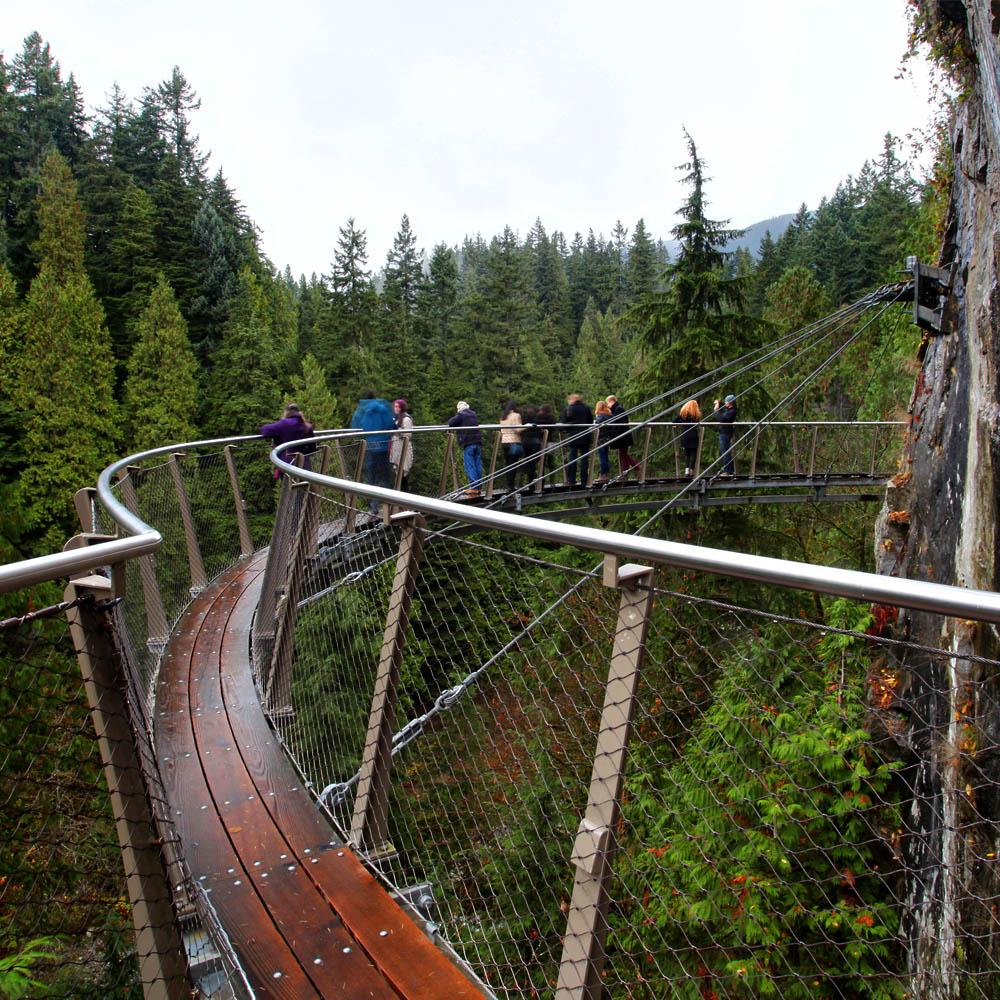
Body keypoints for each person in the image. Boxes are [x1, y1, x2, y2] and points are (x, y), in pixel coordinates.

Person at [351, 391, 396, 508]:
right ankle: (388, 505)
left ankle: (373, 505)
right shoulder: (383, 408)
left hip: (370, 446)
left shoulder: (362, 410)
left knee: (371, 477)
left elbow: (356, 425)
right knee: (385, 476)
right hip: (383, 446)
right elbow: (391, 424)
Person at [260, 402, 315, 478]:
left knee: (289, 485)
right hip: (305, 467)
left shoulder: (284, 424)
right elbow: (312, 448)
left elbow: (265, 430)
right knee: (304, 484)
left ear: (286, 412)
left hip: (287, 467)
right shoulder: (307, 426)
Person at [448, 401, 483, 495]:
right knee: (478, 464)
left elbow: (451, 422)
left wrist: (457, 415)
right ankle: (479, 486)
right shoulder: (473, 414)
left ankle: (474, 487)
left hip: (468, 443)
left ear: (459, 409)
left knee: (470, 465)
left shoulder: (461, 414)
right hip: (477, 442)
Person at [564, 393, 594, 488]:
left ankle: (571, 479)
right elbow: (590, 421)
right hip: (585, 436)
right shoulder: (586, 408)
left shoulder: (569, 409)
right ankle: (584, 480)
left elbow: (564, 422)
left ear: (571, 400)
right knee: (584, 459)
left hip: (574, 436)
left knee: (573, 457)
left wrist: (569, 428)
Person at [606, 395, 640, 478]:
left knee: (623, 455)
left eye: (608, 403)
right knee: (623, 454)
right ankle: (629, 471)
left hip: (622, 436)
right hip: (622, 436)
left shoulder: (618, 409)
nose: (607, 405)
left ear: (611, 401)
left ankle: (633, 468)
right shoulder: (617, 409)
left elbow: (617, 423)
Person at [389, 398, 415, 491]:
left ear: (402, 408)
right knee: (398, 472)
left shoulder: (406, 419)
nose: (395, 408)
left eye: (398, 407)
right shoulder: (397, 418)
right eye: (395, 406)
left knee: (403, 472)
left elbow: (408, 434)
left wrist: (396, 431)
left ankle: (404, 494)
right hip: (397, 448)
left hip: (404, 448)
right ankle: (400, 493)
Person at [499, 400, 524, 493]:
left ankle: (508, 485)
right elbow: (518, 429)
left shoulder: (503, 417)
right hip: (513, 441)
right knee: (513, 465)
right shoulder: (516, 415)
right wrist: (527, 426)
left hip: (504, 441)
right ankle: (511, 486)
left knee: (508, 464)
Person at [712, 394, 738, 475]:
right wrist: (718, 405)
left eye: (726, 402)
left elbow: (721, 418)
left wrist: (716, 409)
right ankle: (728, 470)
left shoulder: (732, 411)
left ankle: (729, 471)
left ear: (730, 403)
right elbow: (722, 413)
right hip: (723, 432)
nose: (725, 403)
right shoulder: (728, 410)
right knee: (724, 451)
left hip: (726, 433)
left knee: (725, 452)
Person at [675, 399, 702, 476]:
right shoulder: (696, 415)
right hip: (693, 435)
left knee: (687, 454)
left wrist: (681, 423)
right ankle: (691, 470)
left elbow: (674, 421)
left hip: (685, 435)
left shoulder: (683, 414)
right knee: (693, 453)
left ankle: (686, 471)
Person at [594, 399, 615, 483]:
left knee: (602, 456)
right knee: (605, 456)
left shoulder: (600, 416)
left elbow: (597, 424)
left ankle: (603, 475)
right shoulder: (609, 415)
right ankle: (606, 474)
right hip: (608, 438)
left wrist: (595, 421)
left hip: (601, 438)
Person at [521, 405, 543, 484]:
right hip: (535, 442)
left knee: (527, 460)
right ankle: (532, 480)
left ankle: (527, 479)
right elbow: (540, 431)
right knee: (533, 462)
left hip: (525, 441)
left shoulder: (524, 419)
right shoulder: (538, 420)